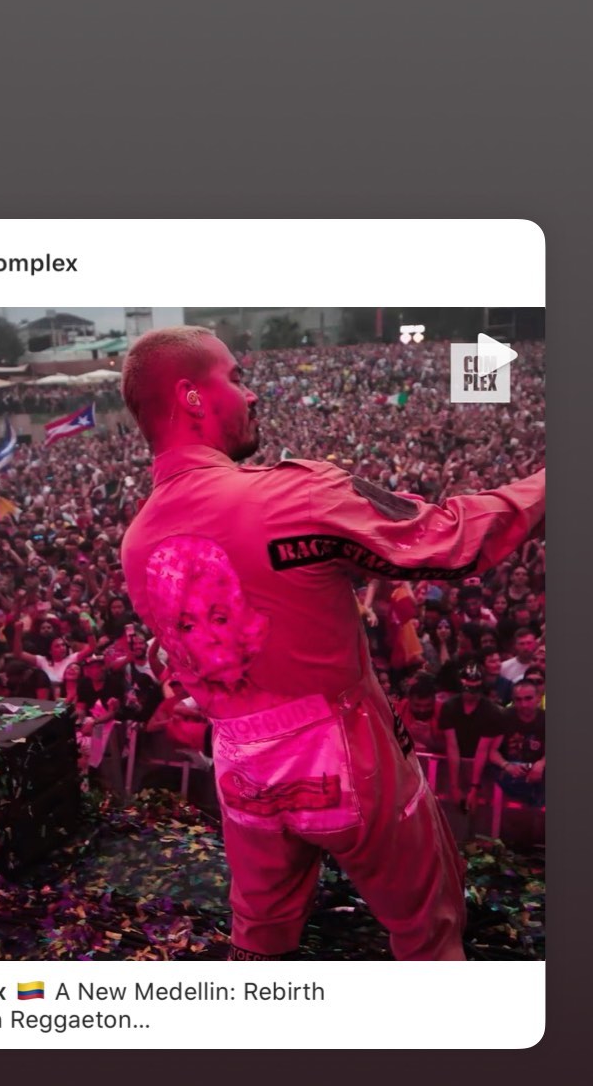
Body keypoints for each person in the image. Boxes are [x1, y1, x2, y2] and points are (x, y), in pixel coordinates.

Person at [120, 326, 545, 961]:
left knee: (260, 940)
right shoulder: (292, 494)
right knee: (427, 934)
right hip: (347, 762)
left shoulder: (135, 543)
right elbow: (452, 541)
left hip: (241, 777)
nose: (251, 394)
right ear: (191, 396)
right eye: (235, 378)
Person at [437, 661, 506, 810]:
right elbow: (452, 746)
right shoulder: (450, 706)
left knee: (480, 808)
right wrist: (454, 785)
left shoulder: (491, 711)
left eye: (475, 689)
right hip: (455, 762)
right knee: (451, 805)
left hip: (482, 766)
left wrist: (474, 787)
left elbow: (483, 750)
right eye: (468, 688)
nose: (471, 693)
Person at [489, 681, 546, 806]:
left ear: (538, 698)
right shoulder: (504, 717)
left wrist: (541, 764)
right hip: (510, 770)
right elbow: (492, 751)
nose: (523, 704)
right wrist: (506, 766)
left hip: (538, 771)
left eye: (528, 698)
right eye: (518, 700)